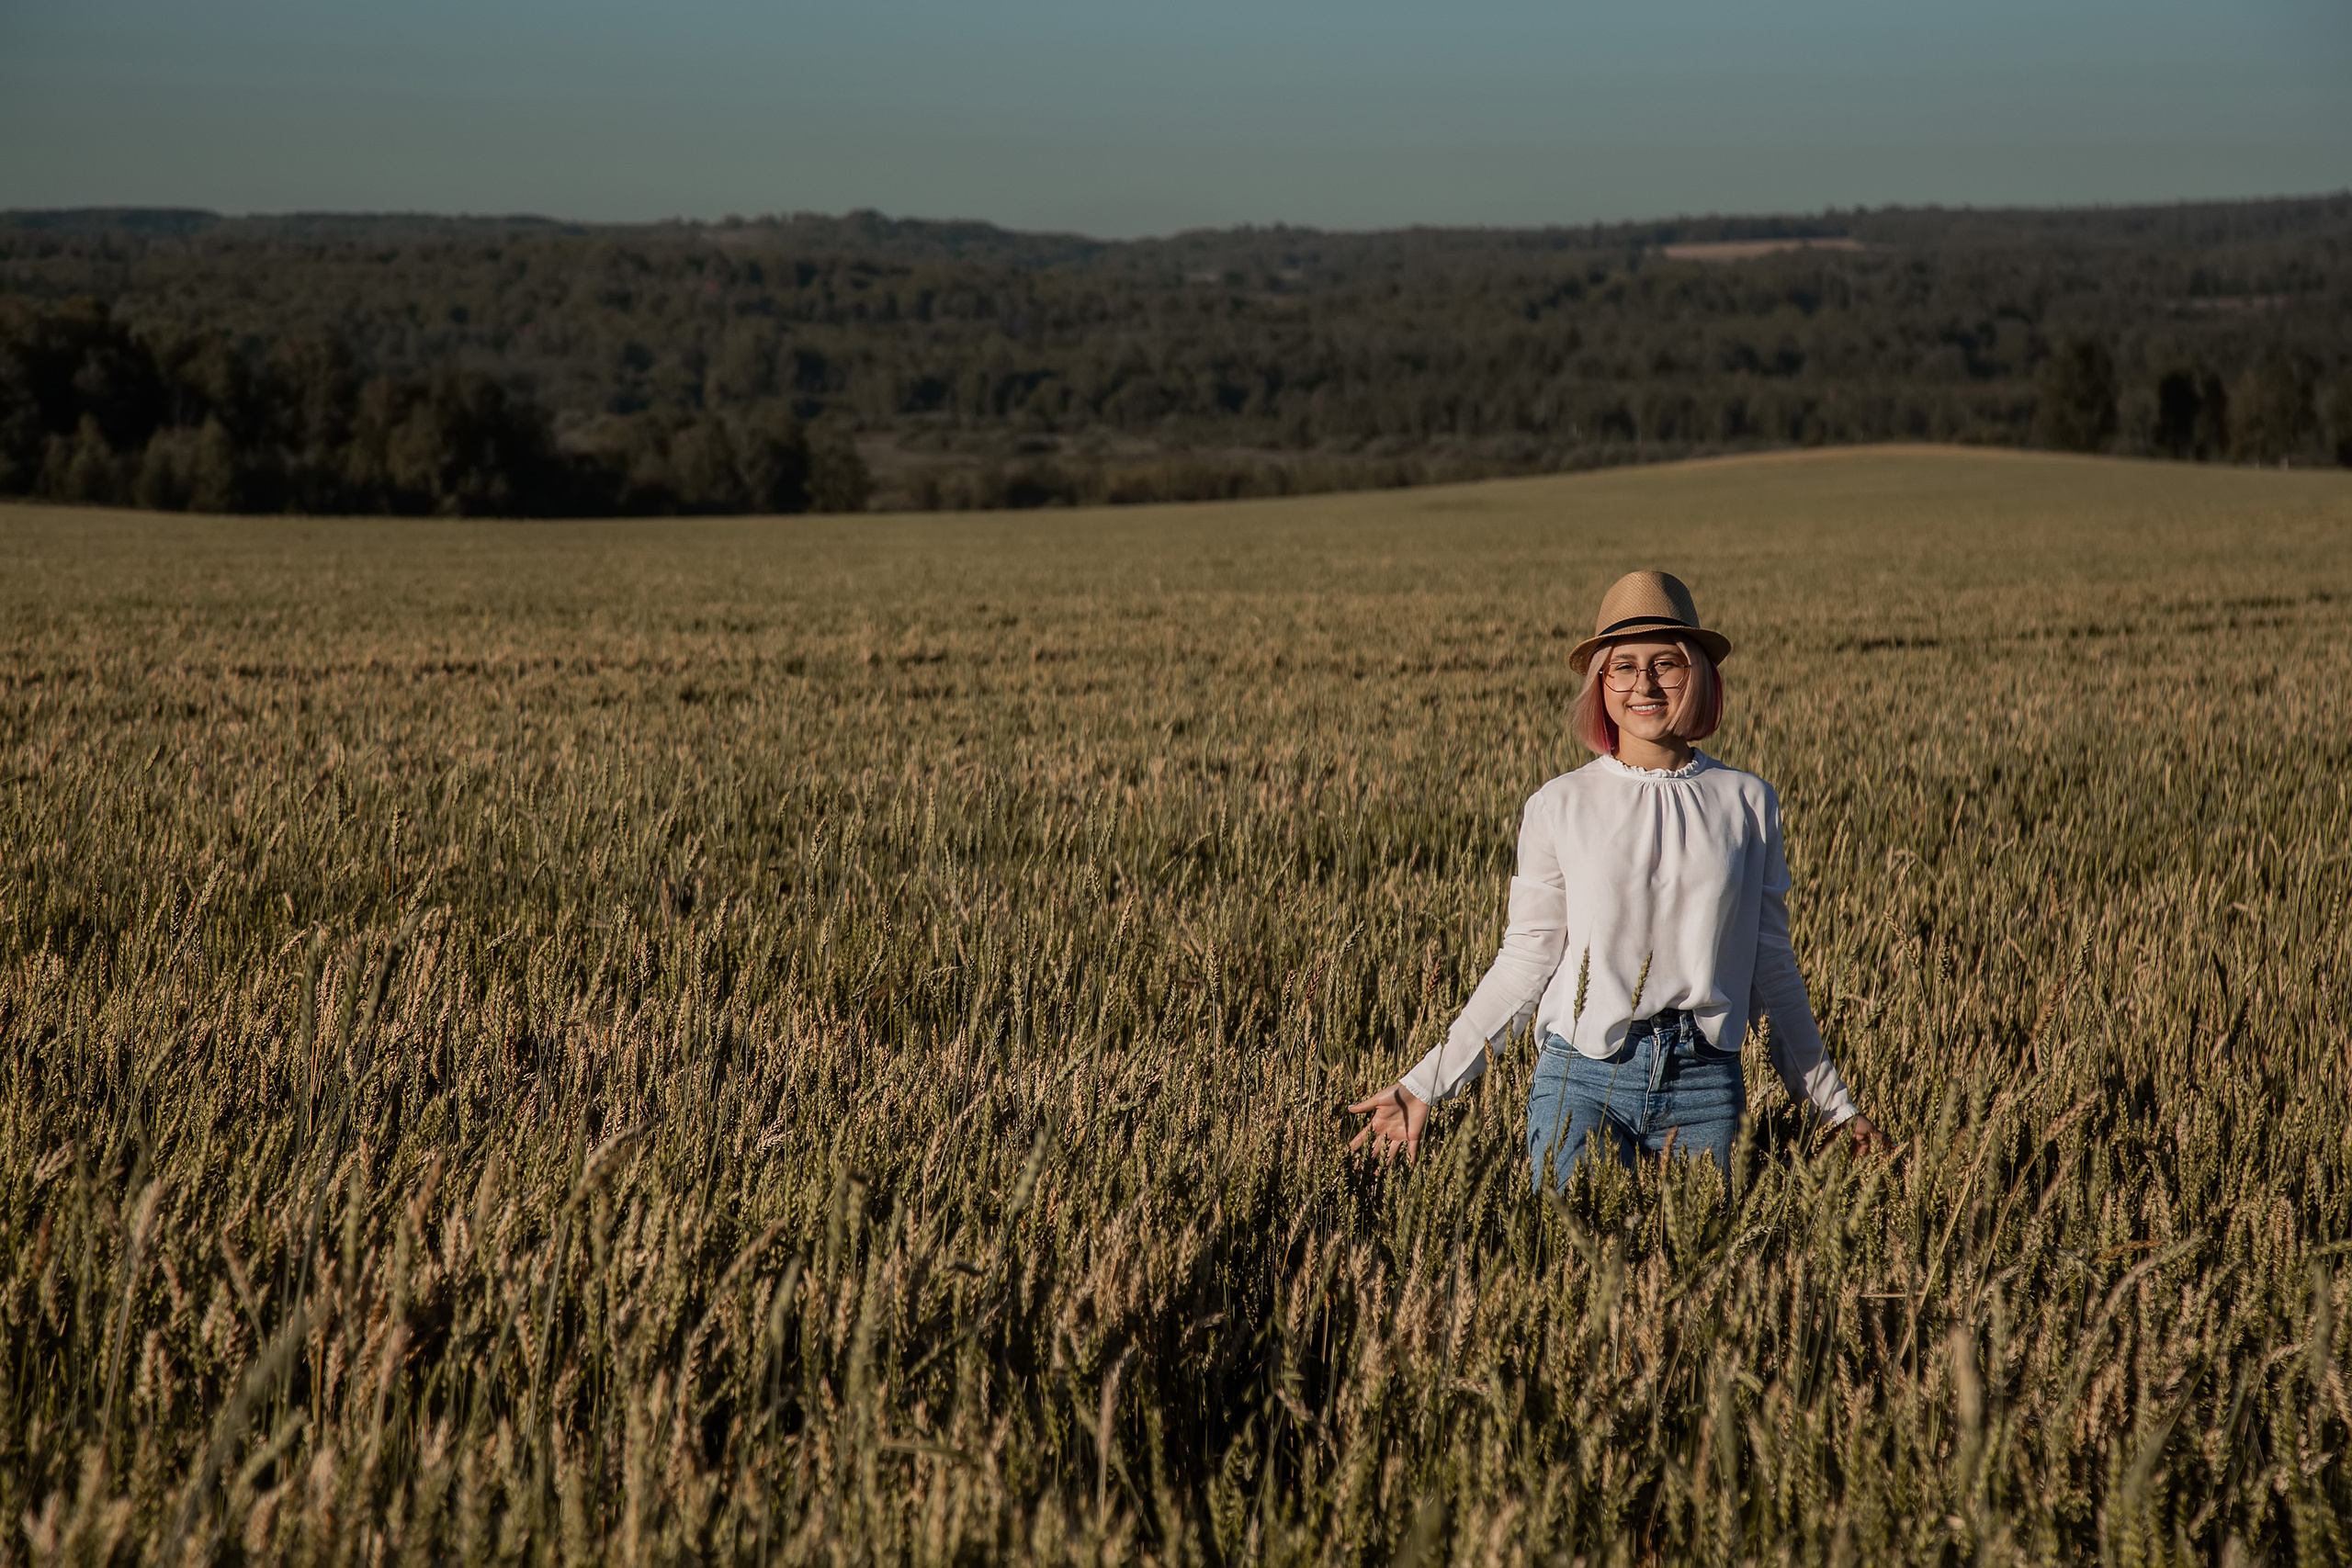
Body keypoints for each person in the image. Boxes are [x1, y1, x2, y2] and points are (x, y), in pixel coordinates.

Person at [1347, 570, 1886, 1183]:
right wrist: (1425, 1085)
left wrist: (1834, 1108)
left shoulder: (1747, 802)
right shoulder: (1558, 804)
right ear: (1600, 681)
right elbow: (1526, 963)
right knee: (1575, 1265)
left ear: (1698, 674)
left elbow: (1772, 967)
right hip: (1582, 1080)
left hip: (1707, 1084)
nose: (1644, 684)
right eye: (1623, 665)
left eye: (1666, 663)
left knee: (1695, 1273)